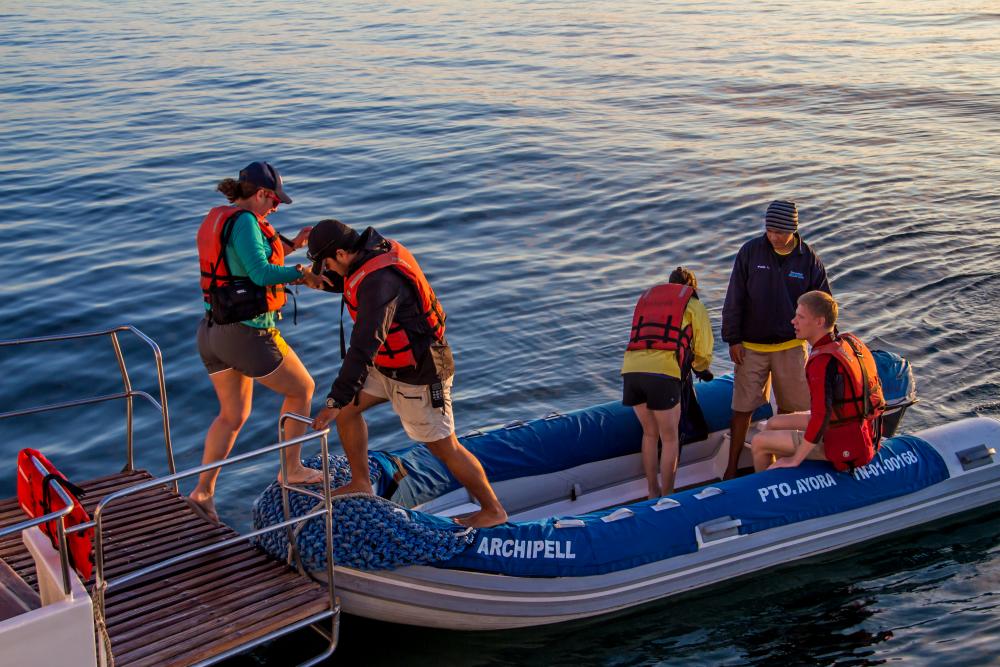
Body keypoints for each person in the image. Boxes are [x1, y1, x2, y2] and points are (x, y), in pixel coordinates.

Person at [306, 219, 507, 528]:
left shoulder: (380, 282)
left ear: (343, 253)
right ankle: (361, 482)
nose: (327, 269)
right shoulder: (366, 256)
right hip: (388, 366)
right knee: (348, 412)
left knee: (444, 446)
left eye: (327, 264)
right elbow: (350, 284)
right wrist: (311, 280)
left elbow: (363, 345)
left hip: (421, 373)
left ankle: (492, 509)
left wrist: (333, 400)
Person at [190, 161, 330, 524]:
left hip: (211, 332)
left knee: (232, 415)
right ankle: (292, 468)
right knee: (303, 389)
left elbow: (241, 259)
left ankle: (203, 492)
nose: (277, 207)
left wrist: (293, 245)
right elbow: (260, 272)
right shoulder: (248, 223)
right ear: (262, 194)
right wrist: (304, 274)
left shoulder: (220, 217)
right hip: (246, 333)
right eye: (275, 200)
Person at [721, 200, 831, 479]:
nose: (772, 236)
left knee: (792, 410)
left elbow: (823, 306)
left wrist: (825, 344)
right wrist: (733, 339)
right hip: (751, 347)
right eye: (769, 230)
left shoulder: (808, 259)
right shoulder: (750, 252)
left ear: (792, 230)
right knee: (742, 409)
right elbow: (734, 297)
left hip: (791, 347)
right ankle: (732, 468)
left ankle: (783, 467)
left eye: (778, 232)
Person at [750, 291, 885, 472]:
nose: (793, 321)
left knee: (759, 442)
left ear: (819, 322)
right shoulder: (848, 342)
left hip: (842, 441)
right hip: (855, 426)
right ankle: (786, 474)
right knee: (774, 423)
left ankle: (769, 489)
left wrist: (796, 459)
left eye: (800, 317)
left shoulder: (822, 362)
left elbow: (821, 416)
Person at [621, 267, 714, 498]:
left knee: (649, 434)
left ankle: (652, 491)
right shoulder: (694, 306)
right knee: (670, 438)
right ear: (692, 288)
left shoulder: (648, 303)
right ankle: (668, 495)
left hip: (632, 370)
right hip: (664, 375)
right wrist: (702, 370)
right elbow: (703, 351)